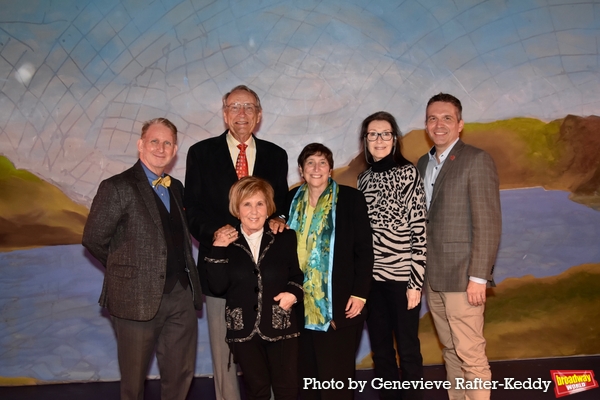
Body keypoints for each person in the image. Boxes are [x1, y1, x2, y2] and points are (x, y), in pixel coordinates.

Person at [82, 118, 202, 400]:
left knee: (180, 375)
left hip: (181, 297)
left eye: (168, 143)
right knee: (133, 384)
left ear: (174, 150)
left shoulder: (177, 187)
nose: (161, 148)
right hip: (134, 300)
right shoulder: (117, 187)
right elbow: (94, 238)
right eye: (154, 141)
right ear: (140, 145)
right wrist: (128, 270)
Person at [184, 85, 289, 400]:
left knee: (269, 350)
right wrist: (214, 235)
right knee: (224, 353)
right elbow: (193, 210)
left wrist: (279, 218)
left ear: (258, 115)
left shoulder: (276, 154)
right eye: (234, 106)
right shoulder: (200, 153)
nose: (241, 113)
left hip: (265, 274)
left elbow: (280, 205)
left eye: (248, 107)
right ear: (224, 113)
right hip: (220, 272)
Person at [416, 93, 502, 400]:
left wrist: (479, 276)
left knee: (471, 356)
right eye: (432, 118)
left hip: (464, 278)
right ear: (426, 125)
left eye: (447, 118)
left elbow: (488, 223)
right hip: (433, 277)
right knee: (451, 352)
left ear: (460, 124)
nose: (439, 124)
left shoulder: (476, 160)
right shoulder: (422, 163)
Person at [205, 176, 303, 400]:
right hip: (243, 330)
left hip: (282, 325)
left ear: (268, 207)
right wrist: (218, 249)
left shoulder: (285, 237)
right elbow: (217, 287)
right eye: (247, 204)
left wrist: (293, 295)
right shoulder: (226, 242)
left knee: (287, 389)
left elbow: (297, 276)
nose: (254, 211)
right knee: (256, 390)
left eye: (260, 203)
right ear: (237, 210)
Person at [288, 143, 373, 400]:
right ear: (301, 170)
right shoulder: (289, 200)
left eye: (322, 162)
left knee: (336, 381)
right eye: (310, 163)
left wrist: (360, 294)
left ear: (331, 169)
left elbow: (365, 251)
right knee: (307, 380)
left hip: (340, 306)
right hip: (299, 308)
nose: (316, 168)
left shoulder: (350, 199)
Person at [357, 111, 427, 400]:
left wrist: (415, 282)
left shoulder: (408, 173)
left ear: (395, 139)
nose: (379, 140)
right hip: (372, 282)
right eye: (373, 134)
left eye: (385, 133)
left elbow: (419, 231)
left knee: (408, 349)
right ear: (365, 141)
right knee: (381, 350)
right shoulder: (363, 179)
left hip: (402, 280)